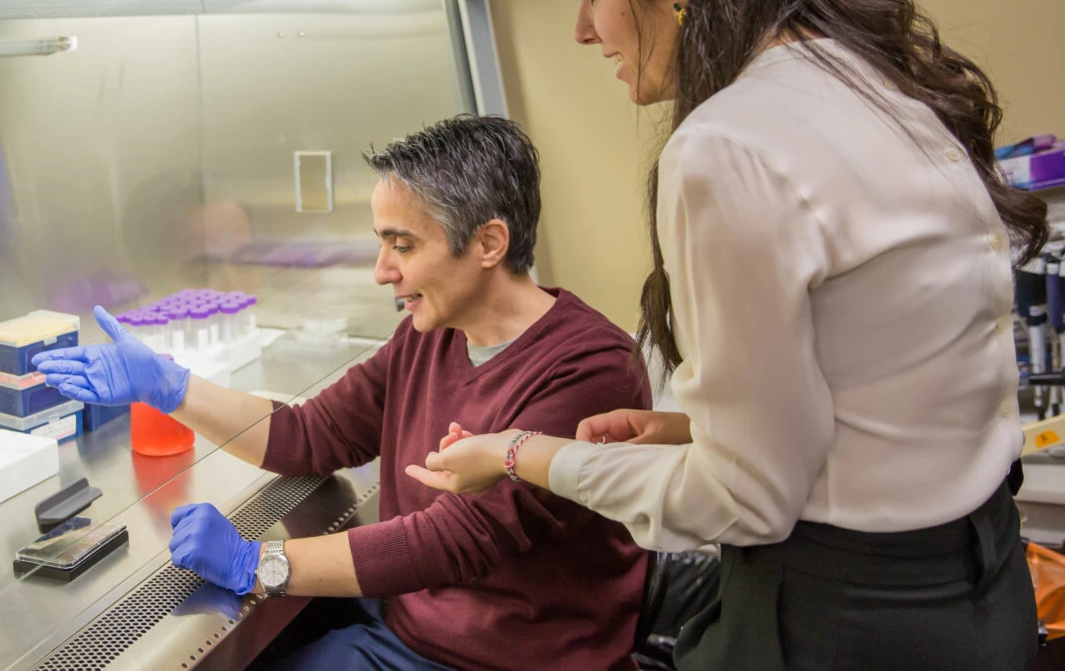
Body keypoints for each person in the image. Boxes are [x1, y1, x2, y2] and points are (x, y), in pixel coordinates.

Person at [408, 0, 1052, 669]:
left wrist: (521, 454)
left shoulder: (725, 147)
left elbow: (743, 500)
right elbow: (881, 368)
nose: (581, 29)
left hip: (845, 619)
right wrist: (690, 428)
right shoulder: (869, 77)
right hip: (981, 584)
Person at [34, 116, 650, 671]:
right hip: (406, 634)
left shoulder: (590, 369)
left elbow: (454, 540)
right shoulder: (428, 335)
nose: (383, 270)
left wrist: (260, 564)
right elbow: (311, 435)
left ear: (489, 243)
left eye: (403, 245)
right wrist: (172, 389)